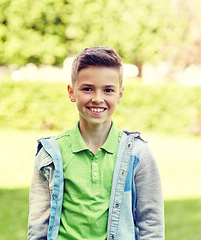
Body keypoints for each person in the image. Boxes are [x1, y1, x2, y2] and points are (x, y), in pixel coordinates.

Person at [28, 46, 164, 240]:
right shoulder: (51, 153)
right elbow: (37, 224)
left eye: (108, 90)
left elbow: (151, 223)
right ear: (71, 91)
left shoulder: (137, 153)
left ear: (120, 94)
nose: (97, 99)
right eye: (87, 89)